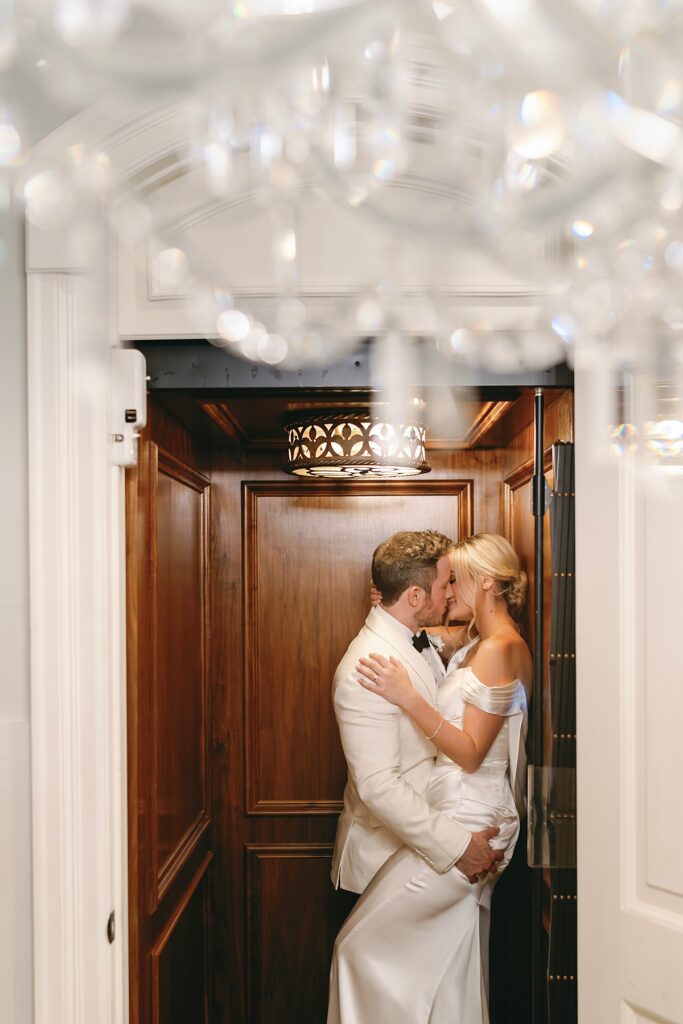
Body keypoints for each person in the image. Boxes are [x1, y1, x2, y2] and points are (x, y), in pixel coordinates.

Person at [328, 533, 530, 1024]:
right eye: (445, 583)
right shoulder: (372, 663)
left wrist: (411, 695)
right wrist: (396, 599)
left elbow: (469, 748)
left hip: (468, 815)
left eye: (455, 581)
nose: (448, 593)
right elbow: (378, 785)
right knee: (449, 968)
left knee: (369, 955)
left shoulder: (490, 646)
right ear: (415, 597)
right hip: (422, 835)